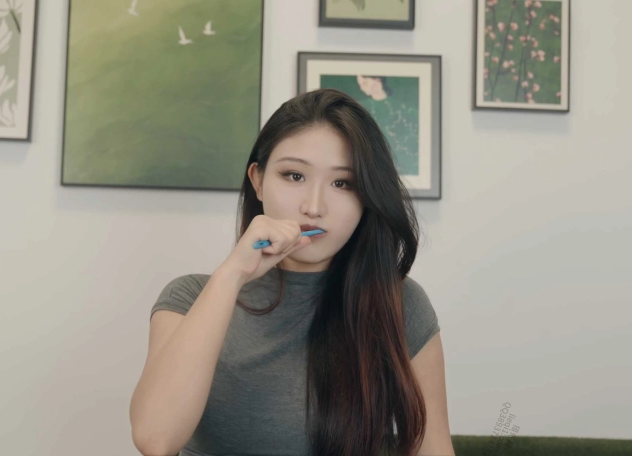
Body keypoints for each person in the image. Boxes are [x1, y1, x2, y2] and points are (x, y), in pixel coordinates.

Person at [129, 89, 454, 456]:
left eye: (342, 183)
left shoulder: (400, 302)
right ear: (257, 180)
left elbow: (433, 449)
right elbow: (155, 439)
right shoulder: (189, 298)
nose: (313, 207)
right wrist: (231, 275)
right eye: (294, 175)